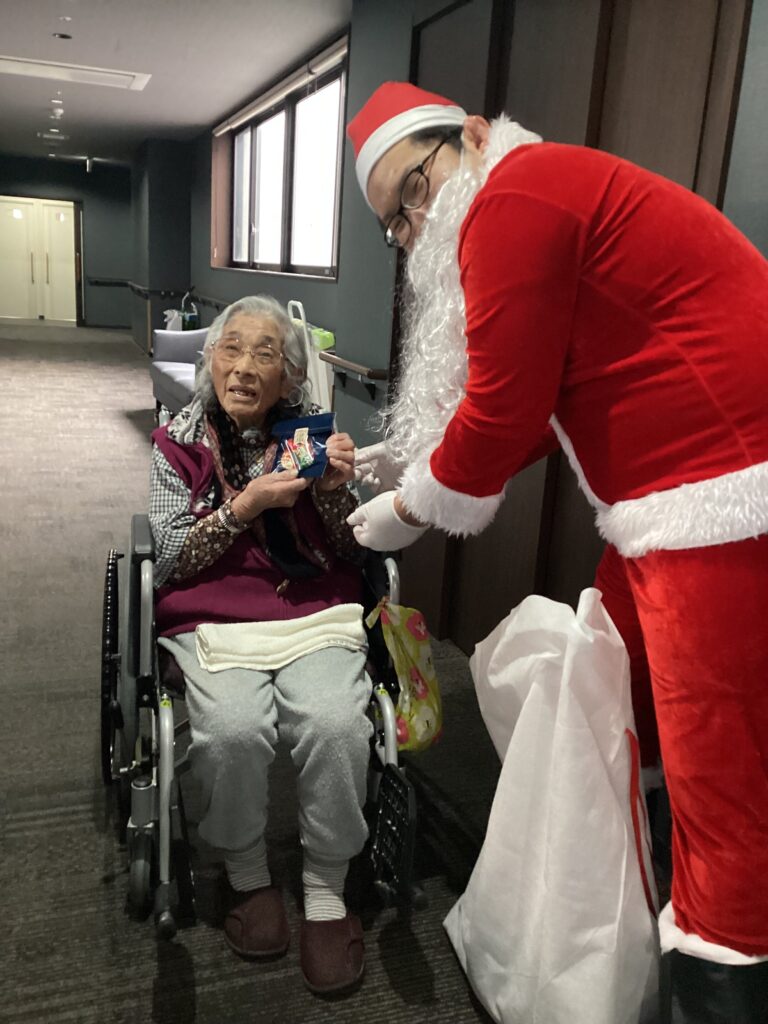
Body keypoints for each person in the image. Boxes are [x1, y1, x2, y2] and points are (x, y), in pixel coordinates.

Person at [345, 82, 768, 1021]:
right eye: (395, 224)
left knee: (721, 779)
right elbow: (540, 398)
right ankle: (636, 905)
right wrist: (412, 464)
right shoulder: (532, 196)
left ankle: (723, 977)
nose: (414, 226)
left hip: (719, 506)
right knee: (625, 694)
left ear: (473, 135)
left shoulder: (512, 200)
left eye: (414, 189)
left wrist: (411, 508)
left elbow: (502, 411)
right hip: (677, 504)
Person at [149, 295, 368, 995]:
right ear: (209, 360)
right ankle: (246, 873)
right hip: (213, 616)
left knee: (336, 723)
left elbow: (350, 547)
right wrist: (245, 507)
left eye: (264, 353)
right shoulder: (177, 444)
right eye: (231, 348)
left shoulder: (309, 437)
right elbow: (169, 558)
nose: (244, 367)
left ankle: (326, 888)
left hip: (310, 608)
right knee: (232, 731)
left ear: (289, 377)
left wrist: (332, 491)